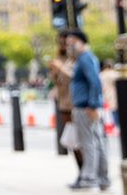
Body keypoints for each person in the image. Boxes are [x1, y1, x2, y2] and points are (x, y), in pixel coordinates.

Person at [66, 30, 109, 192]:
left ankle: (90, 178)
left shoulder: (85, 59)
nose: (68, 46)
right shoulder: (84, 59)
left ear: (80, 41)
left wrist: (92, 105)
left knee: (89, 143)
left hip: (85, 107)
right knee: (96, 142)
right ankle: (102, 178)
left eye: (71, 42)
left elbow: (95, 82)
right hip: (87, 106)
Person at [47, 30, 82, 179]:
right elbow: (56, 82)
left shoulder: (78, 58)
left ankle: (87, 172)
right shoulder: (59, 59)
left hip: (76, 103)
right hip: (64, 103)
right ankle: (81, 172)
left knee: (81, 140)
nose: (62, 44)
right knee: (72, 140)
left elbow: (76, 78)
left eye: (65, 41)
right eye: (60, 41)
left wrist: (60, 68)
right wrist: (54, 71)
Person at [99, 60, 119, 129]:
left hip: (104, 96)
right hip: (114, 95)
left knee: (107, 114)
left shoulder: (101, 75)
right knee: (115, 112)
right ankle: (116, 126)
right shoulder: (115, 74)